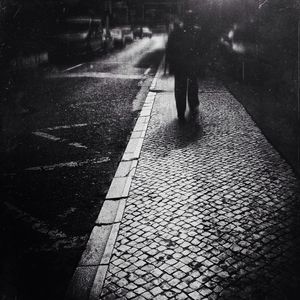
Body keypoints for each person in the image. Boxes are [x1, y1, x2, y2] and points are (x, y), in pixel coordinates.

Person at [165, 11, 205, 121]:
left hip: (180, 65)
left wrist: (170, 63)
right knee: (192, 85)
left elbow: (169, 49)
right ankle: (193, 105)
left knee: (180, 88)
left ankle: (181, 111)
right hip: (191, 64)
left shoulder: (176, 31)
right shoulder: (197, 32)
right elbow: (201, 50)